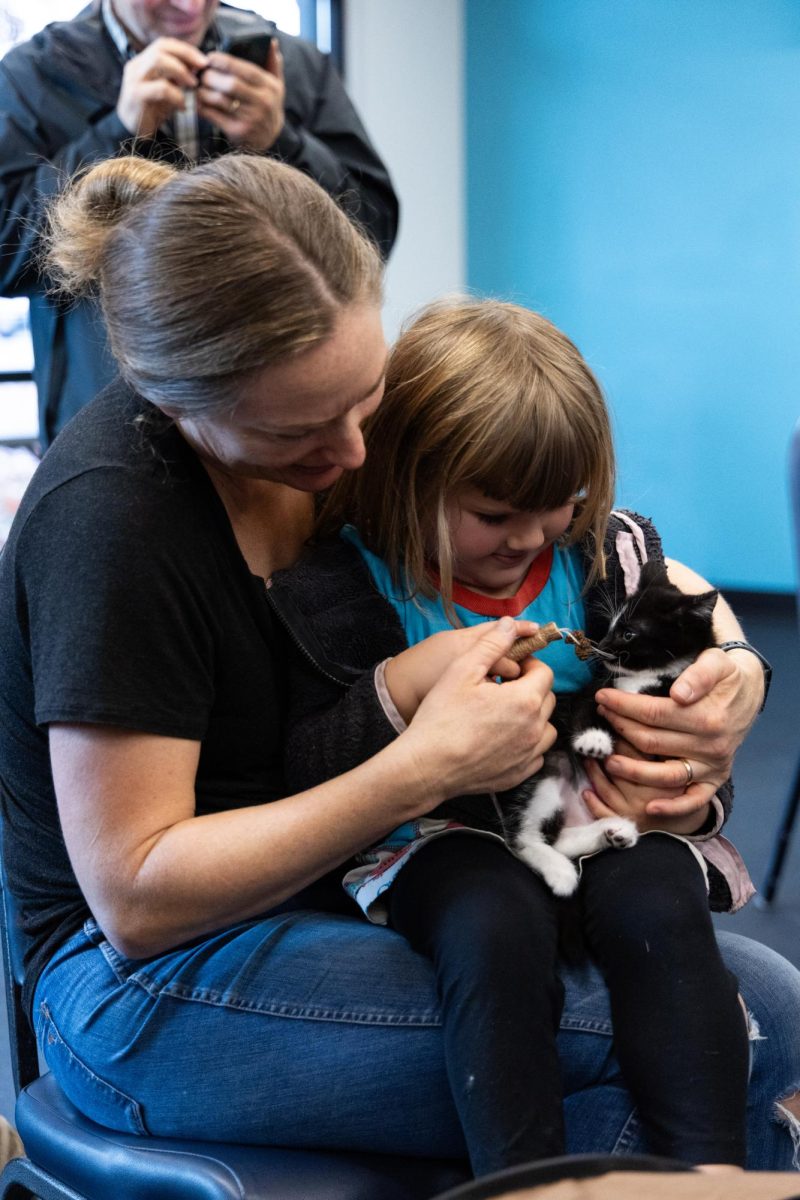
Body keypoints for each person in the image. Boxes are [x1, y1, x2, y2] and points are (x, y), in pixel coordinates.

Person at [0, 154, 797, 1176]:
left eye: (366, 401)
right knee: (750, 1023)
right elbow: (138, 898)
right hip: (139, 978)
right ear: (174, 400)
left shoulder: (325, 415)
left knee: (731, 1003)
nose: (352, 452)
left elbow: (608, 546)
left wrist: (728, 669)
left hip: (322, 891)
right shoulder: (112, 524)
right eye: (297, 432)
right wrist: (419, 766)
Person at [266, 299, 756, 1174]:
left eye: (556, 508)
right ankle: (521, 1182)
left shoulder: (605, 560)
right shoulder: (345, 587)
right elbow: (304, 762)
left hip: (590, 818)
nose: (529, 538)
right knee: (491, 925)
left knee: (657, 900)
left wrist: (681, 775)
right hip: (435, 833)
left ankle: (707, 1175)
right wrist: (406, 690)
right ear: (406, 480)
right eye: (494, 515)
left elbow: (695, 738)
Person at [0, 0, 398, 448]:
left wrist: (281, 140)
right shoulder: (31, 77)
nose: (189, 6)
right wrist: (117, 132)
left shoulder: (293, 64)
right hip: (114, 420)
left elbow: (373, 231)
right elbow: (4, 254)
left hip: (277, 418)